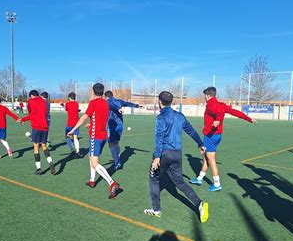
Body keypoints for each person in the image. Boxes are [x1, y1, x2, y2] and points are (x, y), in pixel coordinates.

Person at [145, 91, 209, 223]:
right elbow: (191, 131)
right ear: (171, 101)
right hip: (177, 154)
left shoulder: (160, 118)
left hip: (164, 154)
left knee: (154, 179)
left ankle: (156, 210)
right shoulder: (180, 116)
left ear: (159, 102)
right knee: (179, 182)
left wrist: (157, 157)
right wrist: (200, 143)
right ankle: (199, 204)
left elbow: (159, 137)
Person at [189, 87, 256, 192]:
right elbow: (234, 112)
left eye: (205, 97)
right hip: (217, 136)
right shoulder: (222, 105)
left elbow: (219, 114)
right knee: (206, 157)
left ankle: (217, 183)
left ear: (208, 96)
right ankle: (199, 178)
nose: (205, 99)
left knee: (210, 160)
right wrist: (249, 118)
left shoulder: (211, 104)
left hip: (210, 136)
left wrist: (218, 120)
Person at [67, 83, 121, 199]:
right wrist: (91, 124)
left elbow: (83, 117)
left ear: (93, 92)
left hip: (95, 136)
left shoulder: (93, 103)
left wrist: (73, 129)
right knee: (91, 157)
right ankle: (92, 181)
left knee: (94, 163)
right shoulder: (105, 104)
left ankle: (112, 183)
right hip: (103, 135)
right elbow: (99, 118)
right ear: (102, 92)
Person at [104, 90, 142, 170]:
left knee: (111, 144)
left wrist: (118, 109)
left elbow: (111, 104)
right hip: (120, 125)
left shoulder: (108, 102)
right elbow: (128, 104)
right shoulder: (119, 101)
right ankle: (118, 158)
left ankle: (117, 162)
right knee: (116, 143)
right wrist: (137, 105)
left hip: (112, 126)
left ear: (106, 97)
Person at [21, 90, 56, 175]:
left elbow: (31, 114)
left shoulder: (30, 101)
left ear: (32, 96)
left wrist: (22, 119)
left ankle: (39, 168)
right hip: (45, 127)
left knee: (36, 147)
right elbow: (44, 113)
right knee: (44, 146)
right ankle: (50, 162)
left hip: (36, 127)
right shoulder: (44, 102)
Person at [60, 92, 82, 158]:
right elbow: (75, 110)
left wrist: (62, 105)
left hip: (70, 123)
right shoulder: (76, 104)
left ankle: (72, 150)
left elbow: (66, 109)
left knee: (67, 137)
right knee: (75, 137)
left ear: (69, 98)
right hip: (76, 123)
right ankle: (78, 152)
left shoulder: (68, 104)